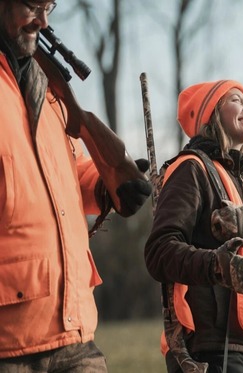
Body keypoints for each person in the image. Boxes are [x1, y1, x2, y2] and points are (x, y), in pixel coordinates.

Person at [0, 1, 152, 371]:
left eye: (49, 6)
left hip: (76, 328)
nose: (44, 19)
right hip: (10, 339)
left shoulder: (45, 86)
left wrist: (102, 185)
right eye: (33, 5)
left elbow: (60, 169)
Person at [144, 80, 243, 373]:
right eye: (236, 99)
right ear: (210, 114)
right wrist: (217, 266)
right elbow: (159, 252)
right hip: (207, 353)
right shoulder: (191, 169)